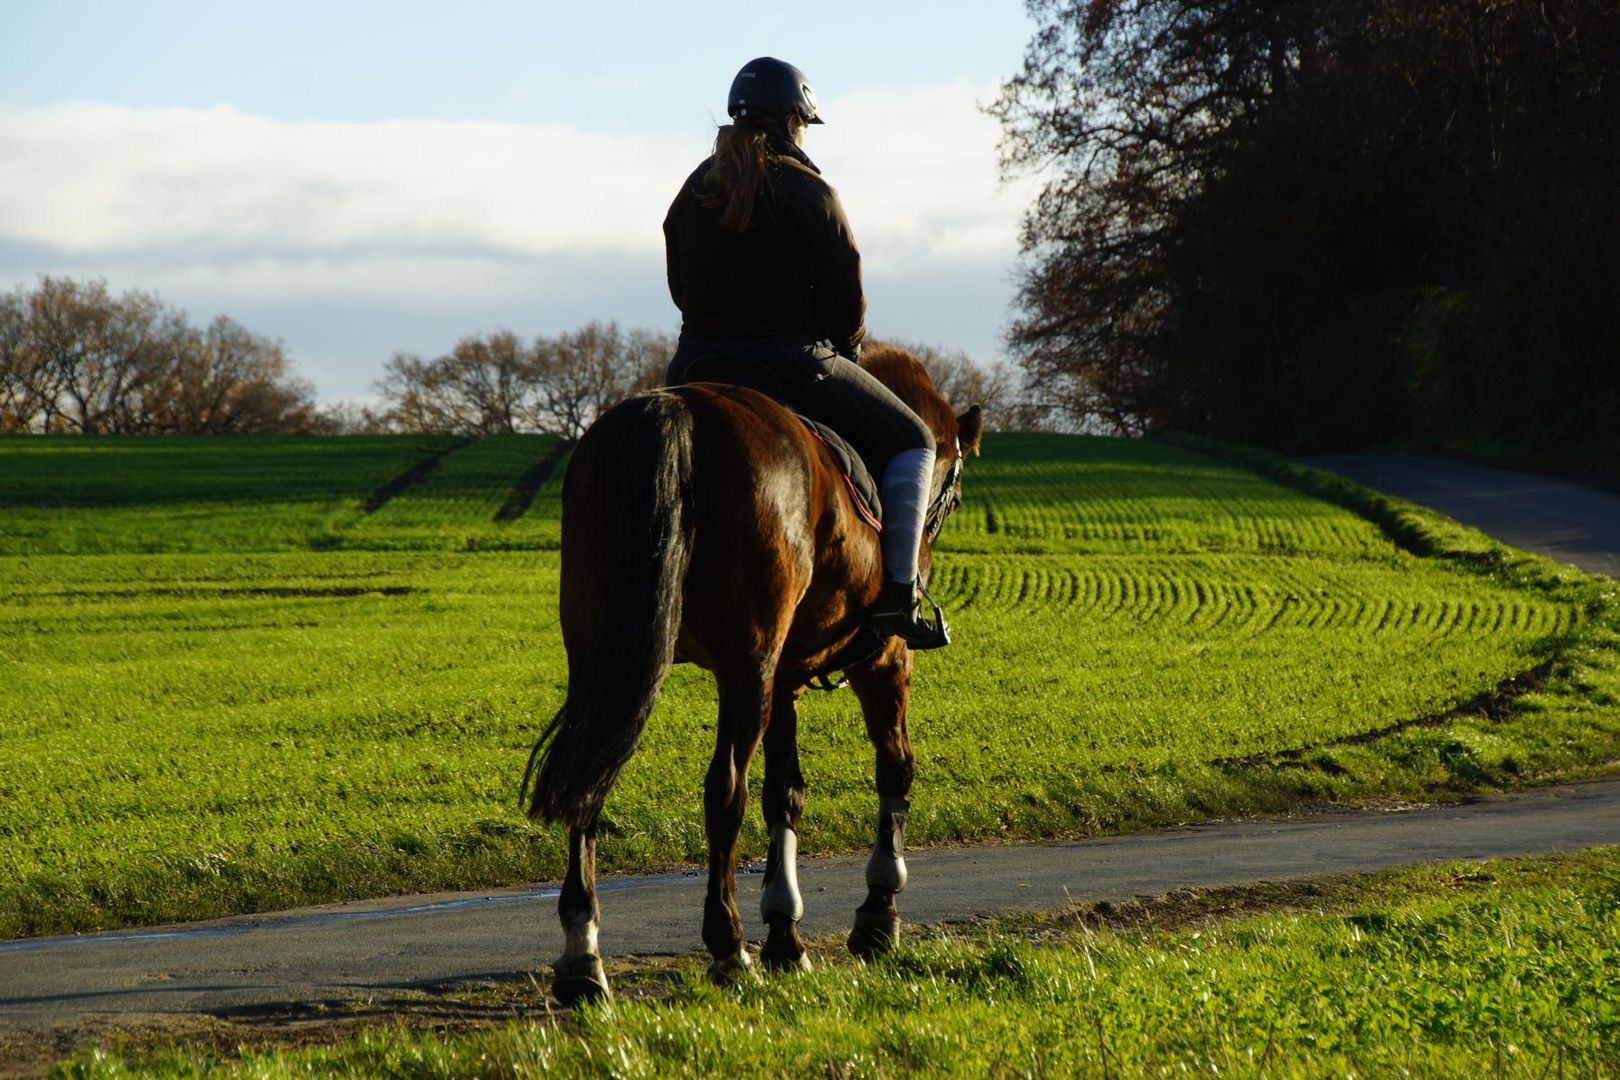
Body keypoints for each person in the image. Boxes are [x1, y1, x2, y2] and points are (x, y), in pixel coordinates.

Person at [662, 56, 946, 650]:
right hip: (794, 362)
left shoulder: (692, 191)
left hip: (693, 365)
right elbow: (847, 294)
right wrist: (842, 348)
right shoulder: (810, 190)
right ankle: (899, 597)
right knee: (915, 439)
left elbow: (679, 287)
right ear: (794, 120)